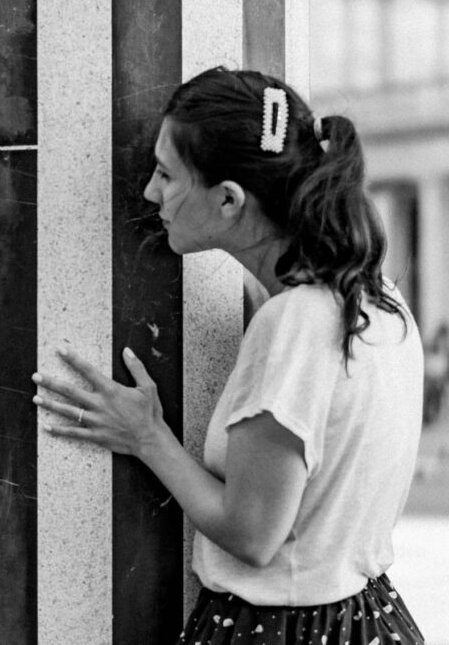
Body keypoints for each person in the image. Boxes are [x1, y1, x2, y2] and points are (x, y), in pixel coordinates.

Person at [32, 67, 426, 643]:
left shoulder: (293, 322)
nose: (150, 193)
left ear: (227, 200)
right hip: (365, 617)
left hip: (284, 628)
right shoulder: (375, 296)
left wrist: (148, 436)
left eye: (166, 174)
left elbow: (253, 535)